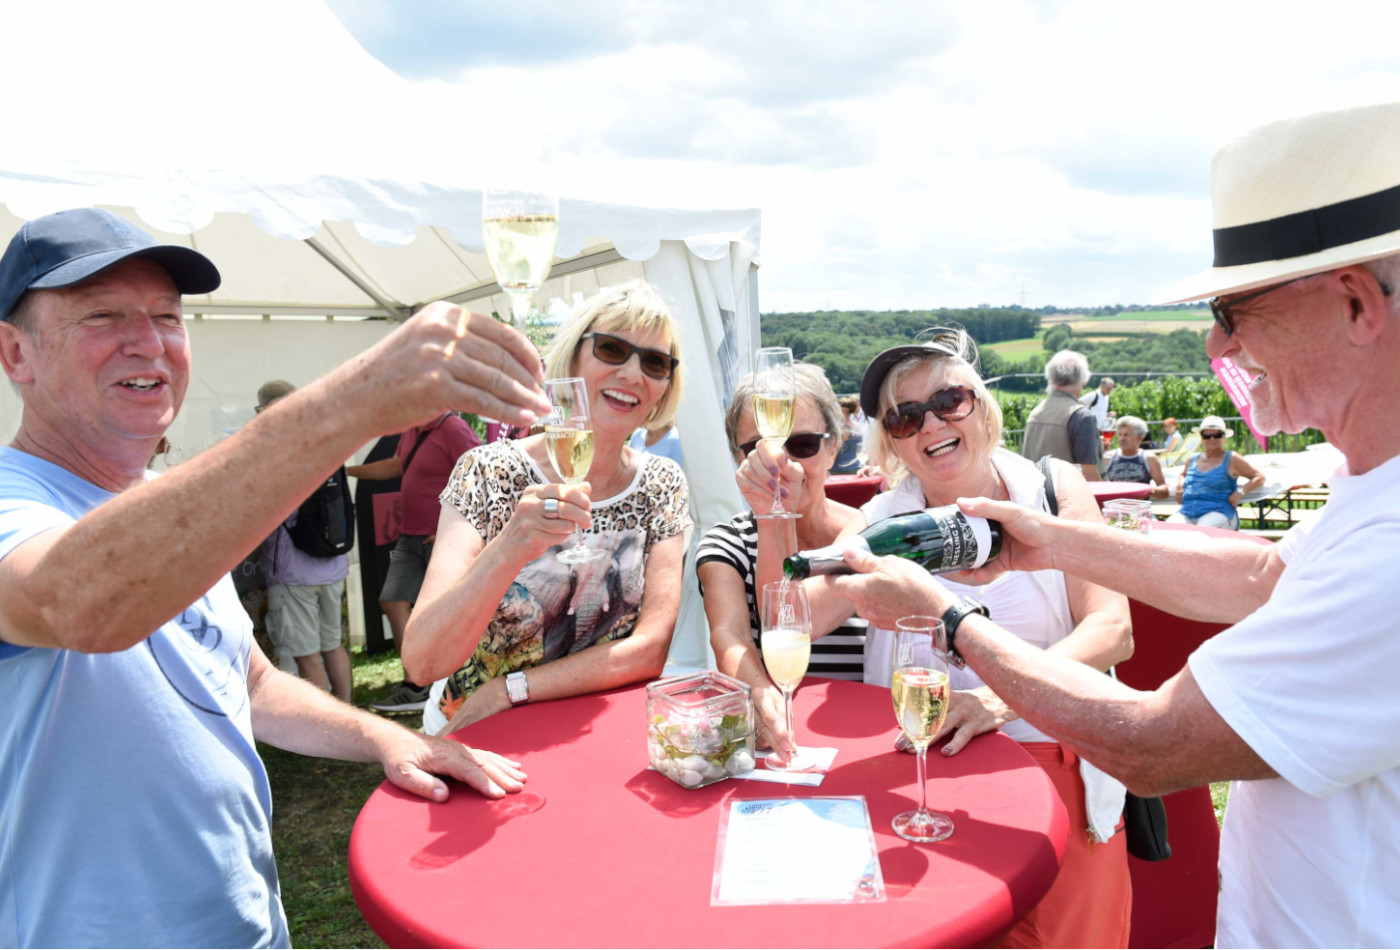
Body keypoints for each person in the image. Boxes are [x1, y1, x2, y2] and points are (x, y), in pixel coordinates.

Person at [827, 101, 1400, 947]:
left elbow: (1155, 744)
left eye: (1235, 313)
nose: (1214, 348)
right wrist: (1047, 541)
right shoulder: (1371, 489)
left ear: (1354, 303)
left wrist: (951, 617)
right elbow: (1266, 578)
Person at [0, 208, 544, 948]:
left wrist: (385, 737)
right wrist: (356, 400)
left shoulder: (160, 503)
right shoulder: (15, 503)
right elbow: (75, 603)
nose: (150, 340)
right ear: (15, 354)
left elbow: (248, 682)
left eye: (168, 315)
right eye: (103, 315)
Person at [831, 329, 1134, 948]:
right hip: (923, 774)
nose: (930, 424)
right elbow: (799, 614)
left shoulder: (1051, 492)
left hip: (1051, 757)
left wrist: (1001, 700)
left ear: (982, 404)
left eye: (949, 401)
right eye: (905, 415)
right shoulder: (881, 522)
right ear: (890, 440)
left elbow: (1114, 628)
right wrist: (783, 505)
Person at [403, 280, 691, 737]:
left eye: (655, 362)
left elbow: (650, 648)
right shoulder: (490, 471)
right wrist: (511, 546)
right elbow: (422, 662)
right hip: (481, 732)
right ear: (574, 357)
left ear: (664, 386)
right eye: (613, 349)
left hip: (593, 729)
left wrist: (512, 688)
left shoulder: (660, 484)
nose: (634, 374)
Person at [697, 364, 863, 758]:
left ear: (835, 445)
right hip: (775, 742)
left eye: (802, 445)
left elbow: (797, 617)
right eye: (759, 449)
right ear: (738, 457)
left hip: (863, 737)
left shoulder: (867, 532)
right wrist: (760, 690)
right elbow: (730, 636)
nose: (781, 465)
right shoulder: (726, 543)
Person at [347, 411, 481, 713]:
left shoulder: (452, 428)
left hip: (445, 538)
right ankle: (416, 684)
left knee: (448, 612)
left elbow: (481, 472)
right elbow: (396, 466)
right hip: (410, 536)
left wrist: (457, 526)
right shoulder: (412, 428)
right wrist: (347, 471)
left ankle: (446, 683)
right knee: (392, 602)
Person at [256, 380, 352, 699]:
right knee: (332, 645)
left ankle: (327, 728)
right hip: (332, 563)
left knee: (306, 654)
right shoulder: (326, 438)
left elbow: (268, 506)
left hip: (294, 570)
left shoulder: (276, 448)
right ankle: (348, 711)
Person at [1166, 415, 1264, 529]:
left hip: (1219, 511)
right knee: (1167, 531)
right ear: (1201, 438)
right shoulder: (1192, 459)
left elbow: (1259, 477)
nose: (1212, 439)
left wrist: (1240, 492)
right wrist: (1180, 486)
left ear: (1224, 437)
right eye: (1206, 435)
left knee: (1201, 532)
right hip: (1187, 512)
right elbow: (1183, 474)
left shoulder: (1232, 459)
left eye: (1217, 435)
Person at [1021, 349, 1102, 482]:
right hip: (1067, 498)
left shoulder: (1035, 413)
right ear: (1084, 380)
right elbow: (1089, 475)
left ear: (1050, 378)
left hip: (1035, 498)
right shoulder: (1082, 416)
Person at [1104, 414, 1168, 499]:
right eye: (1120, 435)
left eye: (1126, 435)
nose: (1122, 438)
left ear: (1139, 438)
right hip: (1115, 509)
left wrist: (1147, 490)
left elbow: (1164, 492)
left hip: (1140, 509)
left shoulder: (1149, 459)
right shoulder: (1109, 457)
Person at [829, 395, 863, 474]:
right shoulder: (856, 426)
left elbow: (835, 449)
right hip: (856, 467)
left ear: (844, 410)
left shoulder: (841, 427)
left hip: (839, 469)